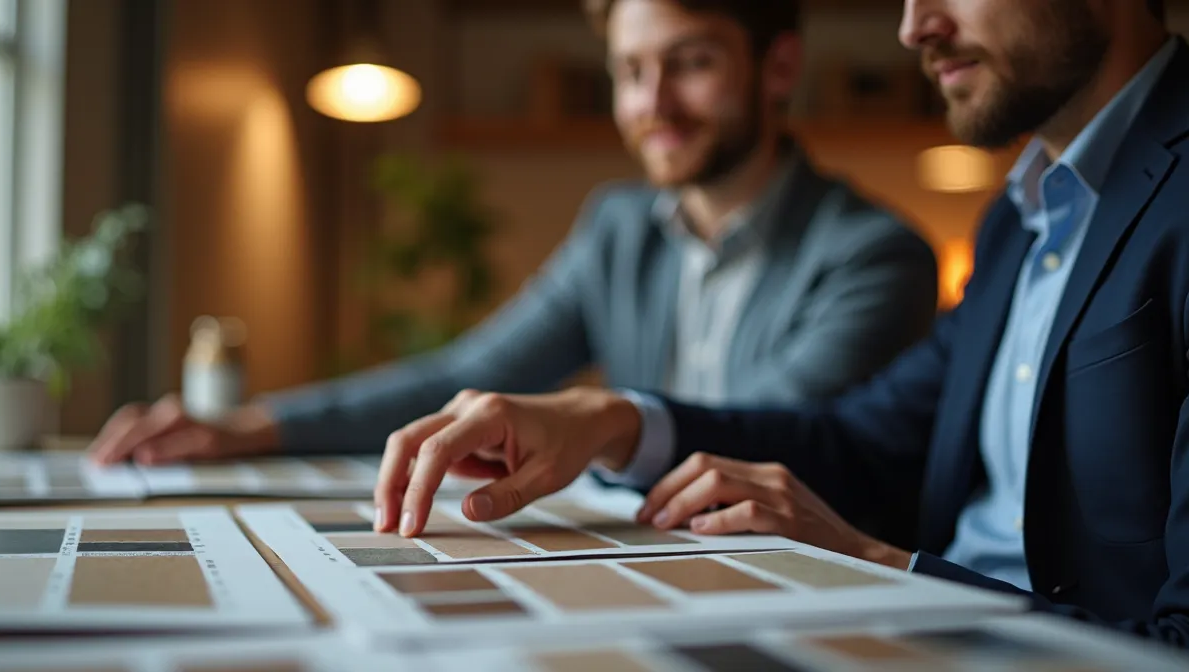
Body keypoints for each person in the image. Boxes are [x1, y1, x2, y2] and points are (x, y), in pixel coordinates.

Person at [374, 0, 1189, 646]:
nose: (914, 27)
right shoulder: (1018, 220)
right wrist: (618, 421)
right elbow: (863, 440)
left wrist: (879, 566)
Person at [87, 0, 937, 467]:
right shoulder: (618, 227)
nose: (652, 105)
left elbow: (774, 436)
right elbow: (470, 374)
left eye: (692, 63)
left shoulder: (875, 255)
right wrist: (256, 426)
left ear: (779, 67)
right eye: (630, 71)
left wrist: (591, 422)